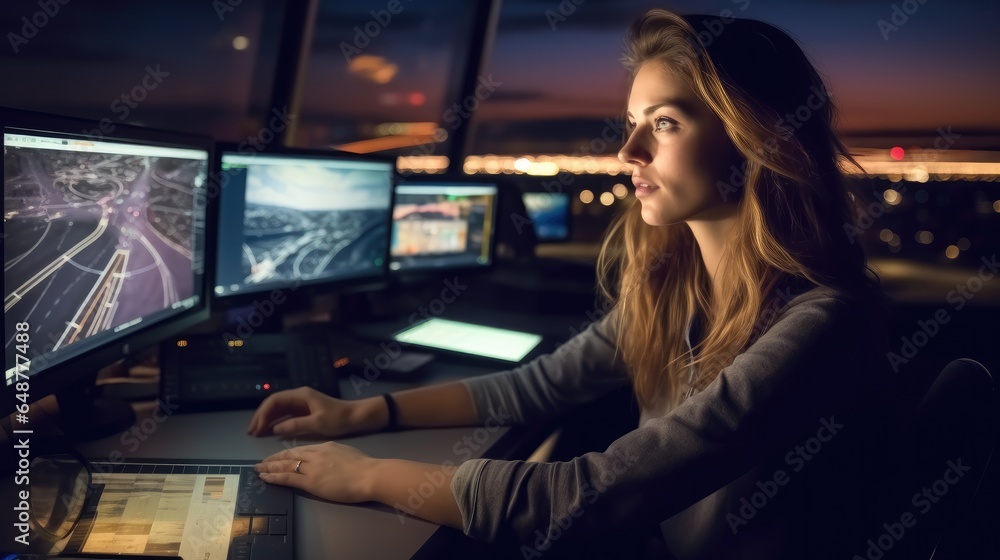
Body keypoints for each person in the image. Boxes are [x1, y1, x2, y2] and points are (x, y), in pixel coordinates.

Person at [249, 9, 904, 558]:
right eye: (633, 122)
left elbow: (586, 496)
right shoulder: (676, 290)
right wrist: (362, 413)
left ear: (756, 138)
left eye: (666, 122)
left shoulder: (823, 326)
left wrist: (368, 475)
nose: (629, 152)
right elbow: (541, 384)